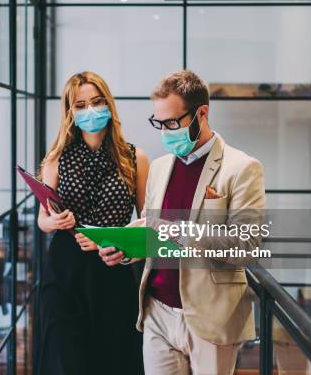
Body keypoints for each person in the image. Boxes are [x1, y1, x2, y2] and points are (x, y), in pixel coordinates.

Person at [99, 70, 266, 375]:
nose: (164, 132)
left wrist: (180, 231)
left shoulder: (242, 168)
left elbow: (246, 243)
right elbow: (153, 230)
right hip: (157, 312)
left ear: (202, 114)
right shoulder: (160, 168)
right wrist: (126, 248)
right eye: (159, 123)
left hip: (211, 316)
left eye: (172, 123)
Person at [33, 71, 149, 375]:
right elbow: (42, 220)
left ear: (109, 105)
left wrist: (117, 239)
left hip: (114, 270)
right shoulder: (56, 159)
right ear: (70, 113)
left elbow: (148, 224)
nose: (91, 110)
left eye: (97, 102)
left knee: (115, 360)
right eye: (81, 105)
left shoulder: (135, 158)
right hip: (65, 274)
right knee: (67, 361)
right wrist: (55, 220)